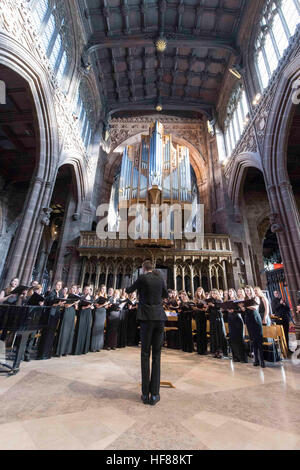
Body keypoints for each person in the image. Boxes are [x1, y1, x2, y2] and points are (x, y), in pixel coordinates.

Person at [126, 260, 168, 406]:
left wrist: (141, 292)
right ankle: (155, 394)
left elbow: (129, 290)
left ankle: (145, 394)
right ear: (153, 268)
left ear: (143, 269)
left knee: (145, 354)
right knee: (157, 355)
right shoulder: (160, 278)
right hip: (159, 317)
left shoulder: (142, 278)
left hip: (146, 318)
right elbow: (165, 294)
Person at [242, 285, 265, 368]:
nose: (247, 292)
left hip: (255, 319)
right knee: (253, 340)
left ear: (251, 290)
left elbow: (255, 308)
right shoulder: (245, 299)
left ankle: (262, 360)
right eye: (246, 290)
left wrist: (245, 306)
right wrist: (242, 307)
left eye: (248, 290)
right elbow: (244, 309)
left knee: (258, 340)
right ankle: (256, 360)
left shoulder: (256, 298)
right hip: (248, 319)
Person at [56, 285, 78, 357]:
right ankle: (60, 351)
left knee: (70, 332)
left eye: (75, 288)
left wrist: (76, 304)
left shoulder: (76, 297)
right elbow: (66, 306)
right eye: (72, 288)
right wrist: (74, 302)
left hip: (72, 313)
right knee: (64, 331)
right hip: (66, 312)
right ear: (70, 289)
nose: (73, 289)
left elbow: (76, 308)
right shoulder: (67, 295)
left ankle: (66, 351)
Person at [227, 288, 248, 363]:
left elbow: (242, 311)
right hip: (230, 319)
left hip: (237, 319)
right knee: (232, 338)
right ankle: (235, 357)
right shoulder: (228, 301)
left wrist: (234, 310)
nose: (229, 292)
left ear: (234, 293)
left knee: (239, 338)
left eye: (231, 291)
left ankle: (242, 357)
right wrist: (228, 310)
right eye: (229, 291)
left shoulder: (238, 300)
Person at [271, 290, 294, 355]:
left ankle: (287, 349)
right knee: (281, 335)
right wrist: (280, 304)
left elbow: (288, 309)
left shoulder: (282, 300)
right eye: (275, 293)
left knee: (286, 334)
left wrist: (284, 304)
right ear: (274, 294)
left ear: (279, 294)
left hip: (285, 319)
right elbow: (273, 309)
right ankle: (282, 349)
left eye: (277, 293)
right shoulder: (274, 301)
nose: (276, 294)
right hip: (279, 320)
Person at [207, 289, 228, 359]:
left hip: (218, 319)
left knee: (219, 334)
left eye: (214, 293)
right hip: (212, 319)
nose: (213, 295)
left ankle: (220, 351)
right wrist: (208, 306)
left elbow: (220, 309)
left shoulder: (219, 301)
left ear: (217, 294)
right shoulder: (210, 301)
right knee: (213, 334)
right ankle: (214, 351)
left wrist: (213, 305)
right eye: (212, 293)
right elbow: (209, 311)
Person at [73, 285, 93, 355]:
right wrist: (84, 307)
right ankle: (78, 349)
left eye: (88, 290)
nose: (87, 291)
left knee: (86, 330)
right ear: (84, 290)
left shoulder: (91, 297)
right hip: (82, 314)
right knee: (80, 330)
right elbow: (78, 306)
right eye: (86, 289)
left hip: (88, 314)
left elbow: (92, 305)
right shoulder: (81, 297)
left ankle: (84, 349)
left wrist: (91, 306)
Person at [91, 285, 109, 352]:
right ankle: (94, 347)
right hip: (98, 312)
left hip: (103, 312)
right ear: (100, 289)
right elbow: (97, 306)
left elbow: (106, 307)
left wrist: (106, 305)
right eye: (102, 289)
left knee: (101, 329)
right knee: (96, 328)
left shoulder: (106, 296)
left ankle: (99, 346)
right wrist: (104, 304)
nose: (103, 290)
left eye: (105, 289)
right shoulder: (97, 296)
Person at [192, 287, 207, 355]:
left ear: (202, 292)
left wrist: (200, 309)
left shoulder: (205, 299)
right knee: (199, 332)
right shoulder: (195, 300)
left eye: (200, 291)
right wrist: (196, 308)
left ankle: (204, 349)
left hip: (203, 316)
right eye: (198, 291)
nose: (199, 292)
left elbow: (205, 308)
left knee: (203, 332)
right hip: (197, 316)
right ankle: (199, 349)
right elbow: (193, 307)